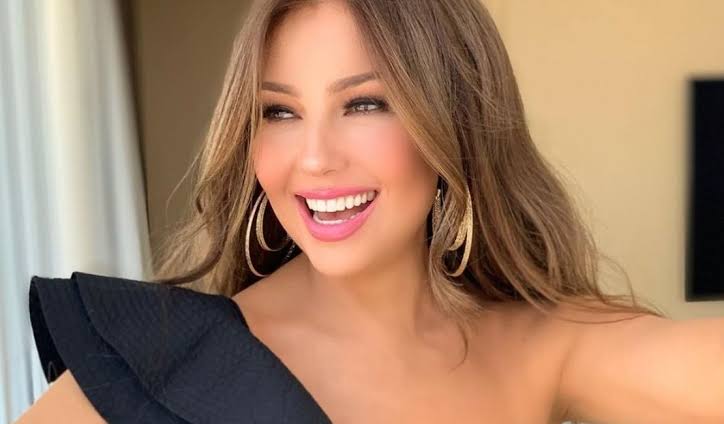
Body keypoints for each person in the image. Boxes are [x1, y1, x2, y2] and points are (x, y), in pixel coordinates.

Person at [19, 0, 724, 423]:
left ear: (455, 122)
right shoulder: (167, 362)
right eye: (279, 112)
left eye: (364, 103)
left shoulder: (539, 344)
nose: (314, 158)